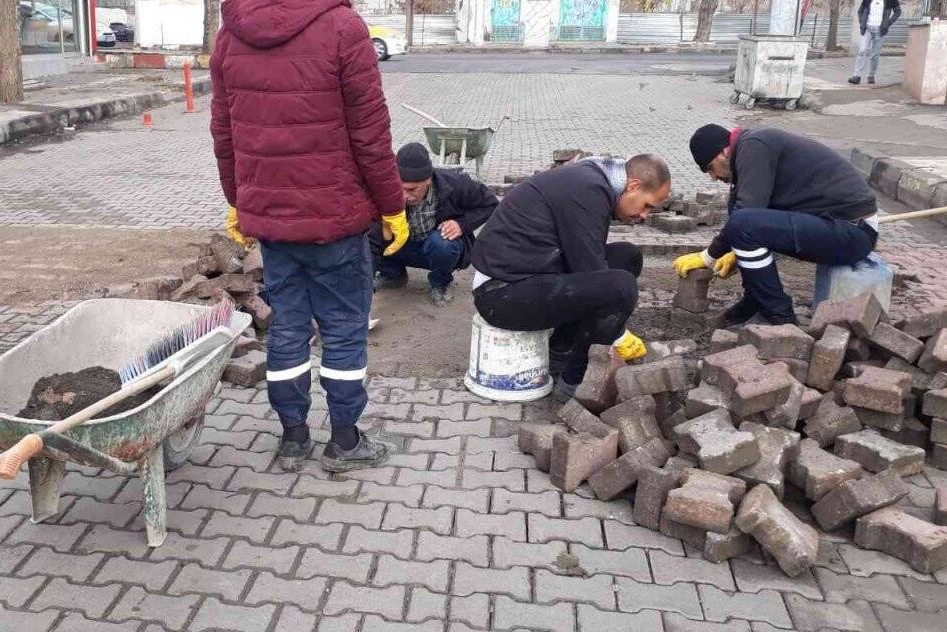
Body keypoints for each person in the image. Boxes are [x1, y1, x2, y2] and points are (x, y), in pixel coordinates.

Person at [210, 0, 406, 472]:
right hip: (334, 220)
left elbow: (224, 130)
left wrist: (238, 199)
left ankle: (294, 439)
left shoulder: (231, 34)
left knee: (289, 329)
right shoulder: (343, 27)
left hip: (274, 224)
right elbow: (370, 133)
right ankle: (344, 440)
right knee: (343, 329)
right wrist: (392, 205)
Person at [470, 155, 670, 399]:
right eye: (647, 205)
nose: (645, 215)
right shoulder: (588, 190)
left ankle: (559, 353)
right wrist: (618, 334)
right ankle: (577, 383)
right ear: (634, 186)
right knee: (620, 288)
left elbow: (588, 266)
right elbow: (594, 275)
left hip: (530, 276)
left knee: (626, 256)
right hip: (500, 294)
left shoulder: (592, 182)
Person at [677, 124, 878, 326]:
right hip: (833, 226)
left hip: (852, 230)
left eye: (710, 168)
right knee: (737, 212)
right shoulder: (752, 148)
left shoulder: (754, 145)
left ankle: (780, 315)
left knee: (743, 223)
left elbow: (747, 215)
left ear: (723, 151)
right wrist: (735, 250)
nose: (712, 177)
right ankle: (756, 299)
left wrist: (709, 257)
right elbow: (745, 211)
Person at [370, 143, 500, 307]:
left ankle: (440, 283)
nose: (405, 196)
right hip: (402, 247)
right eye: (400, 188)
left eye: (412, 190)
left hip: (436, 249)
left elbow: (491, 204)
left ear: (428, 180)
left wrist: (461, 224)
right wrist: (364, 286)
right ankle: (393, 274)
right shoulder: (386, 191)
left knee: (443, 243)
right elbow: (371, 238)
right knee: (366, 232)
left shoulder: (456, 184)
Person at [849, 0, 901, 85]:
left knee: (875, 54)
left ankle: (871, 75)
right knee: (862, 50)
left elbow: (898, 11)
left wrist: (888, 23)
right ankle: (857, 76)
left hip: (880, 30)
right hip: (867, 29)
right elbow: (860, 11)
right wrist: (862, 22)